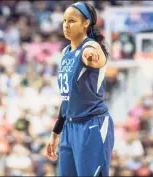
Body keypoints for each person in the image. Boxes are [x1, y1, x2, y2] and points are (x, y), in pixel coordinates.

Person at [45, 2, 114, 176]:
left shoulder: (91, 47)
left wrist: (89, 54)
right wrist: (56, 132)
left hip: (92, 125)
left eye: (72, 21)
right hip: (70, 127)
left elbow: (93, 53)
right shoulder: (65, 52)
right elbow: (67, 97)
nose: (66, 25)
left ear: (86, 23)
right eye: (64, 21)